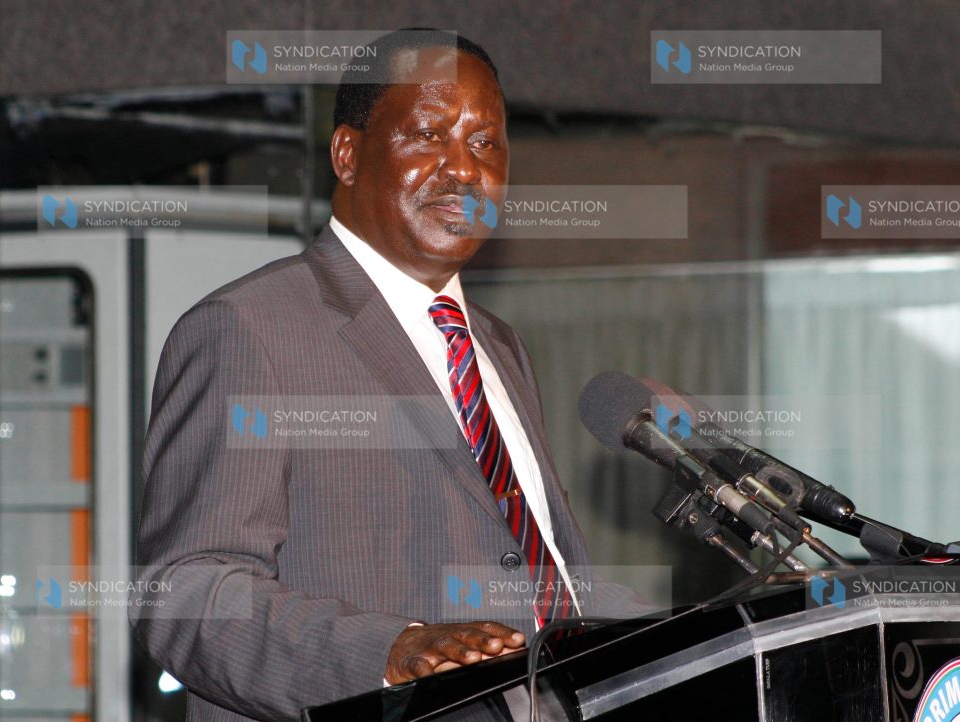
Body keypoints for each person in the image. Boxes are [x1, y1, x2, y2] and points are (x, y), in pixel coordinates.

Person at [130, 29, 653, 722]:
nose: (463, 168)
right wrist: (392, 651)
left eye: (485, 142)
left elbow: (535, 579)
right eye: (429, 134)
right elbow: (189, 593)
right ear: (348, 153)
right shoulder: (250, 328)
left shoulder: (498, 347)